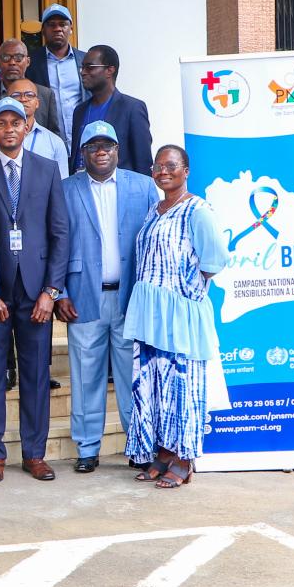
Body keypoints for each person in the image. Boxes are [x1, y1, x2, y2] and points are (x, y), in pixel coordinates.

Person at [0, 98, 70, 482]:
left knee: (36, 374)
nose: (9, 129)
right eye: (1, 123)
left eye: (16, 122)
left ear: (28, 126)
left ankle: (34, 453)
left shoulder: (47, 169)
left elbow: (60, 232)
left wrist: (51, 291)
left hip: (36, 292)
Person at [123, 145, 227, 489]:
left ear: (186, 171)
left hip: (180, 313)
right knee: (155, 386)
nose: (162, 171)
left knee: (183, 386)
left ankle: (184, 458)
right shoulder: (154, 210)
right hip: (151, 315)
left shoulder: (198, 210)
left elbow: (213, 261)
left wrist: (185, 291)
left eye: (171, 165)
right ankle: (164, 452)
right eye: (158, 165)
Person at [59, 121, 159, 473]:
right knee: (86, 377)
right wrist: (61, 292)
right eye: (93, 146)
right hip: (84, 296)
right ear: (83, 154)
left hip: (131, 298)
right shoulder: (66, 189)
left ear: (117, 150)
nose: (101, 151)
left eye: (108, 145)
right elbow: (58, 243)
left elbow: (154, 242)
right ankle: (87, 448)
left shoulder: (144, 187)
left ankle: (139, 445)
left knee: (132, 375)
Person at [69, 44, 154, 176]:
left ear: (110, 70)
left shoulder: (132, 108)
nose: (83, 72)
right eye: (82, 67)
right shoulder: (79, 111)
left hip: (120, 191)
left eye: (89, 67)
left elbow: (143, 162)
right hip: (82, 189)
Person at [0, 72, 70, 178]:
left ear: (37, 103)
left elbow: (61, 185)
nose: (23, 99)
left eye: (29, 95)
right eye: (16, 95)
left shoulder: (55, 142)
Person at [26, 3, 86, 145]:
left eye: (63, 24)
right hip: (47, 140)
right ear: (43, 30)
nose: (57, 29)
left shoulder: (85, 60)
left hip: (82, 139)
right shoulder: (31, 62)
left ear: (71, 28)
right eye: (51, 25)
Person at [0, 38, 64, 137]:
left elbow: (53, 134)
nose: (12, 62)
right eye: (6, 57)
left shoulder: (46, 95)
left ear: (28, 61)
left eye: (18, 57)